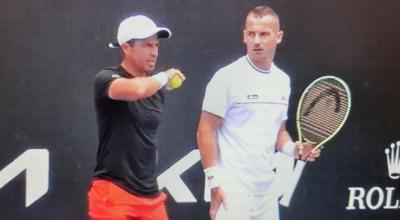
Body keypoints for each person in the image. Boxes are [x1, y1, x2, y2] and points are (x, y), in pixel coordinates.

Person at [197, 6, 320, 220]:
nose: (256, 41)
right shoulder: (226, 77)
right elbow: (205, 131)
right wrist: (215, 182)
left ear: (278, 37)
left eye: (264, 34)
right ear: (244, 36)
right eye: (251, 34)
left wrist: (296, 149)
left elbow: (278, 133)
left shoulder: (282, 81)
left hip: (266, 193)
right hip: (232, 191)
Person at [88, 14, 185, 220]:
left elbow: (146, 139)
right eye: (147, 45)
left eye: (156, 45)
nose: (154, 52)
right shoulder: (106, 78)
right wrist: (165, 76)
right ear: (126, 47)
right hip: (113, 195)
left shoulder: (156, 90)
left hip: (150, 197)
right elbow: (137, 90)